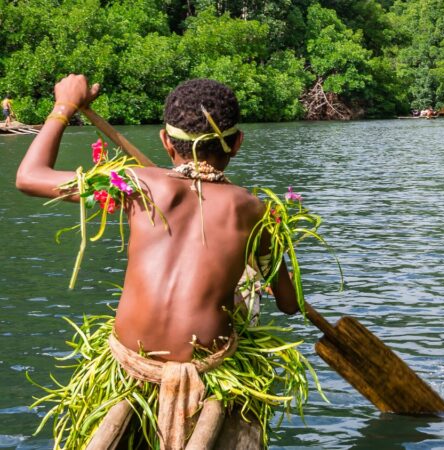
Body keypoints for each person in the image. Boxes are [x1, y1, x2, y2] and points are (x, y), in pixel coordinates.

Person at [16, 74, 309, 449]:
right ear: (237, 144)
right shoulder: (255, 211)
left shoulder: (137, 185)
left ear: (165, 142)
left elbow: (29, 177)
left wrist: (64, 107)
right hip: (209, 364)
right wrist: (265, 266)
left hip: (133, 361)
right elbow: (289, 304)